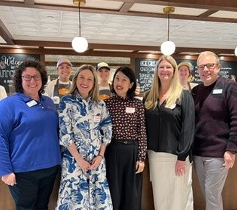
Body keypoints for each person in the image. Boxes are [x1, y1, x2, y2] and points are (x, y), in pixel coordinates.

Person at [0, 60, 61, 210]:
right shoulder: (8, 105)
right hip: (24, 171)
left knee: (43, 206)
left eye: (36, 76)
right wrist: (5, 171)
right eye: (27, 77)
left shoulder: (48, 102)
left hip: (50, 168)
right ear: (19, 79)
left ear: (42, 79)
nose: (32, 81)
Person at [191, 51, 237, 210]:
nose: (206, 69)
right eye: (202, 66)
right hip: (198, 152)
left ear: (218, 67)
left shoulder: (230, 86)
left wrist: (231, 149)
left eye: (210, 65)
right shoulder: (196, 91)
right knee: (208, 194)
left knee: (212, 196)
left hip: (218, 153)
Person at [56, 64, 113, 209]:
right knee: (75, 201)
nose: (85, 82)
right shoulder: (66, 102)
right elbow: (65, 133)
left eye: (89, 79)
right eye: (82, 77)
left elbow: (107, 130)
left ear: (94, 83)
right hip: (74, 161)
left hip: (96, 161)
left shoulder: (99, 104)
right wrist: (79, 160)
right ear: (75, 79)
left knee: (98, 200)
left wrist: (100, 156)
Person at [144, 55, 195, 210]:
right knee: (161, 197)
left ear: (174, 71)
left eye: (168, 67)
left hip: (177, 156)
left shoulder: (184, 96)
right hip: (155, 156)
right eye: (161, 67)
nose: (164, 70)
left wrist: (182, 156)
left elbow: (188, 127)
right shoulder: (149, 96)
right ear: (156, 71)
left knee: (179, 198)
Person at [104, 66, 147, 210]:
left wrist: (141, 158)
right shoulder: (107, 104)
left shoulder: (137, 104)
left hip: (132, 152)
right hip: (113, 150)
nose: (119, 83)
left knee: (132, 192)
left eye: (124, 79)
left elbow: (141, 130)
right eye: (117, 78)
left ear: (131, 84)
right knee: (114, 191)